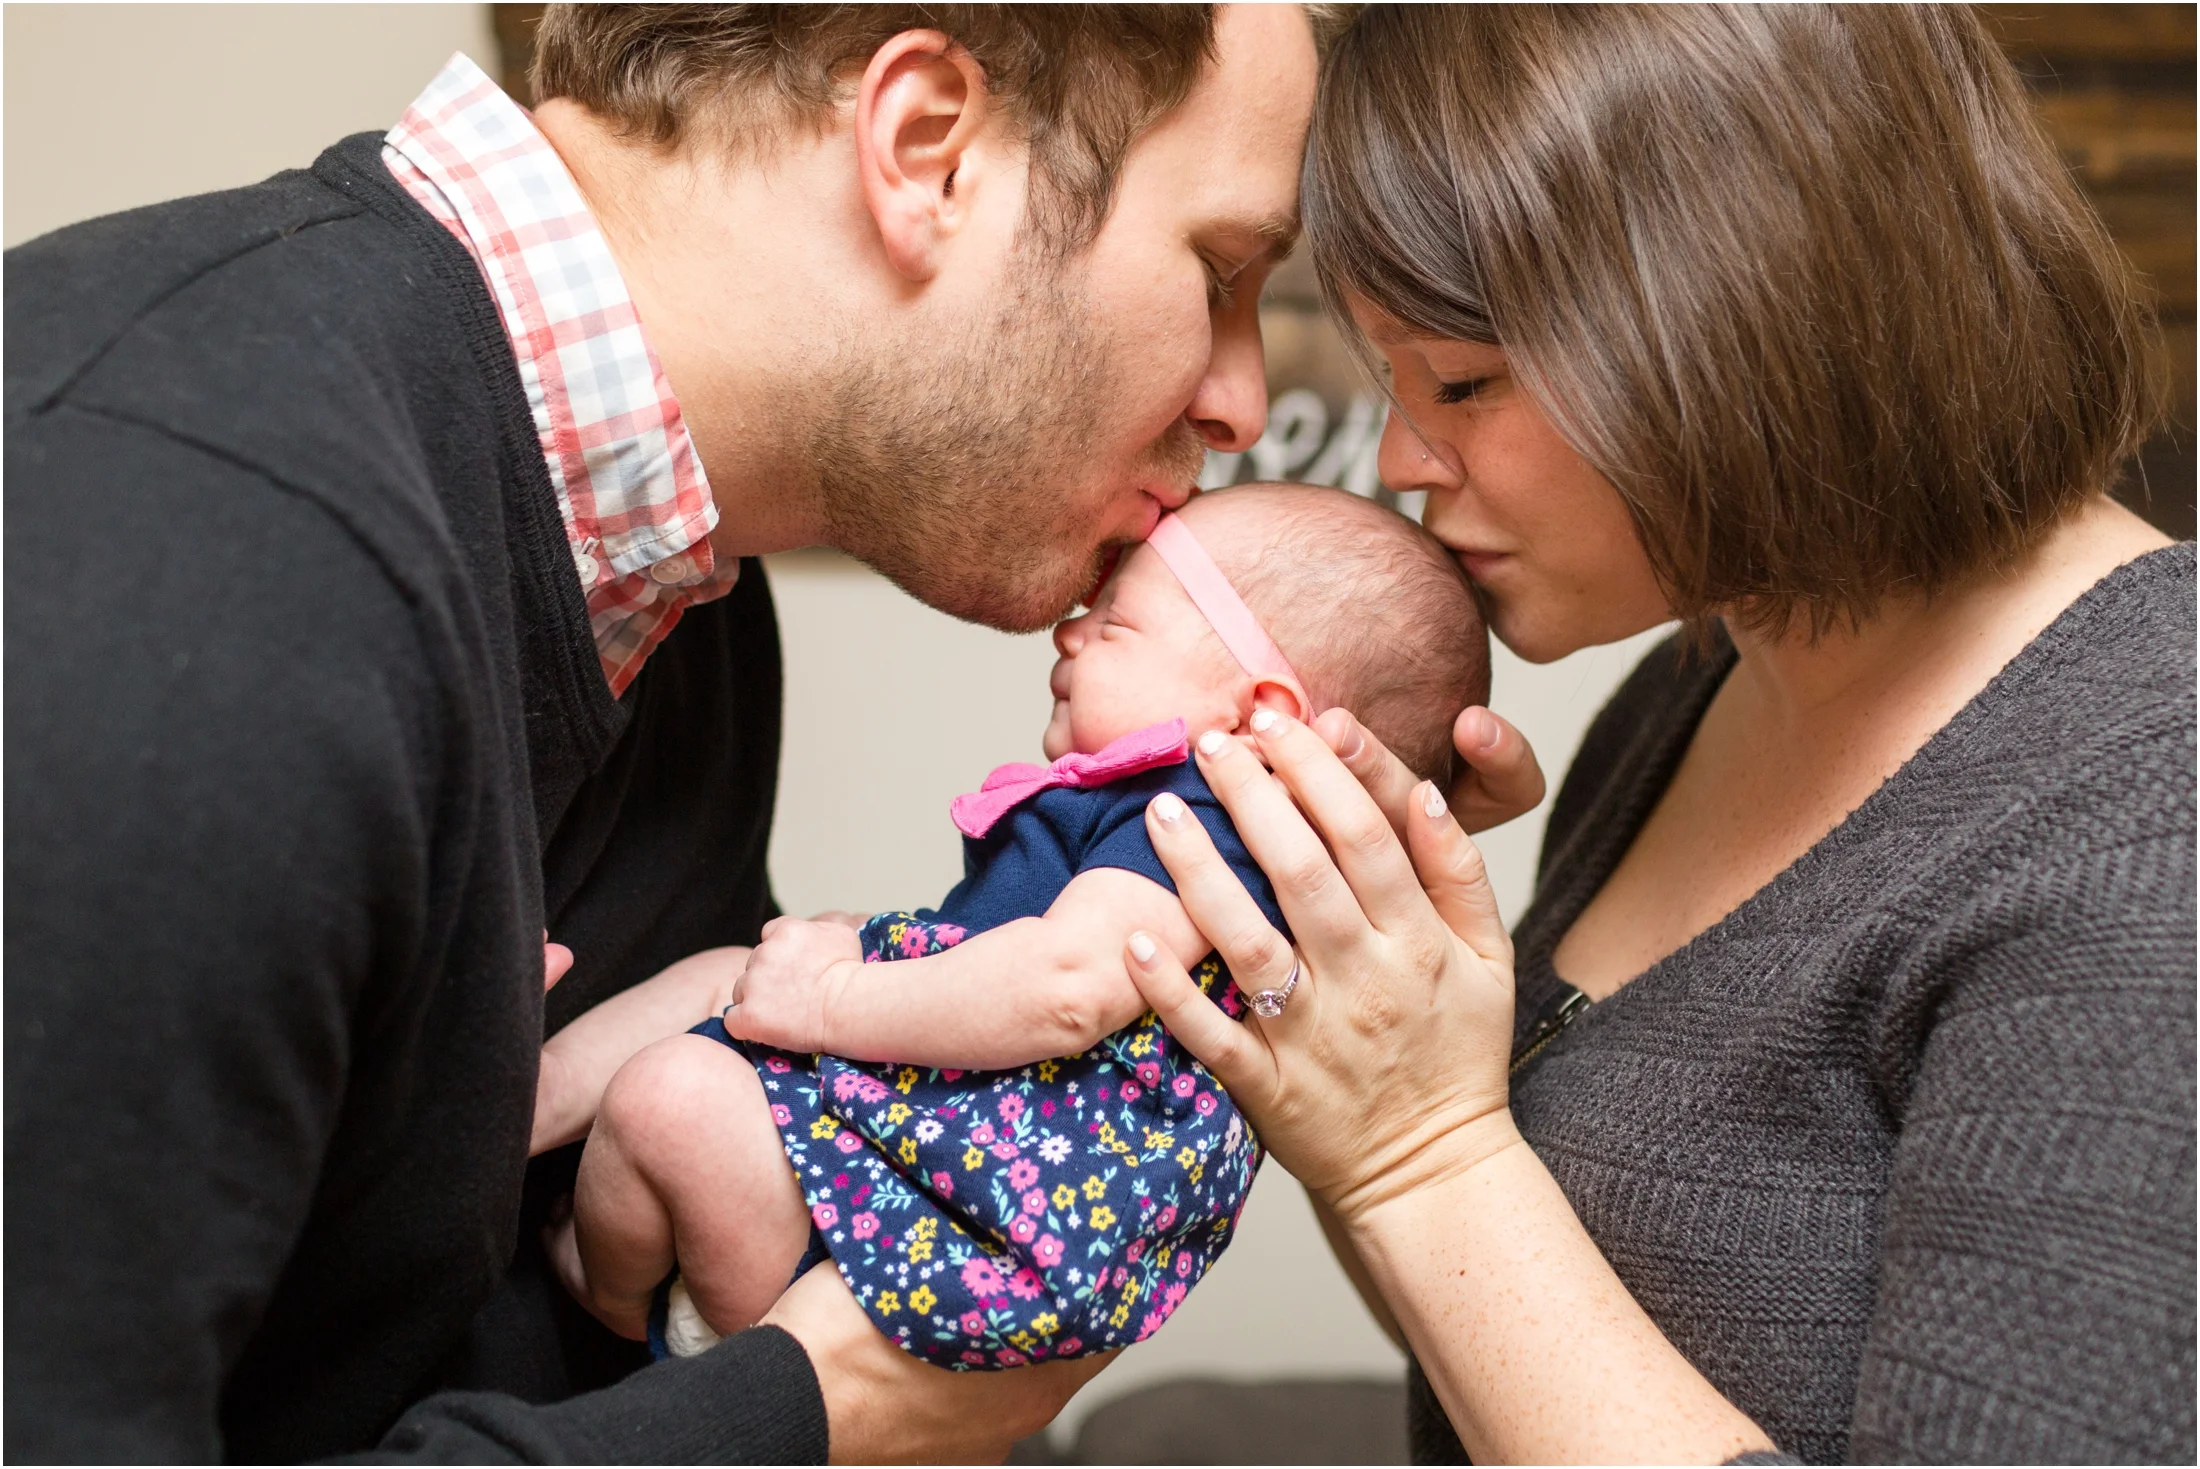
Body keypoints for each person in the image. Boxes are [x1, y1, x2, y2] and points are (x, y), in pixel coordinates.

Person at [11, 6, 1526, 1461]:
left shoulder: (684, 591)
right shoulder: (164, 541)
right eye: (1220, 272)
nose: (1244, 402)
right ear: (929, 147)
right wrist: (819, 1413)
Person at [1116, 7, 2197, 1464]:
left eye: (1464, 382)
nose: (1399, 463)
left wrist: (1423, 1154)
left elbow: (1446, 1193)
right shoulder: (1696, 687)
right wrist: (1352, 972)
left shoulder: (2152, 816)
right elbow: (1514, 1359)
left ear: (1737, 311)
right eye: (1394, 383)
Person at [530, 485, 1485, 1366]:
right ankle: (524, 1110)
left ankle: (624, 1298)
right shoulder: (1150, 813)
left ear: (1263, 714)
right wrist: (850, 947)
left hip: (989, 1187)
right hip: (962, 1109)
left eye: (1118, 621)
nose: (1072, 632)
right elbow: (1017, 955)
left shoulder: (1209, 817)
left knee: (675, 1096)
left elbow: (1067, 989)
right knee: (730, 970)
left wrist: (832, 994)